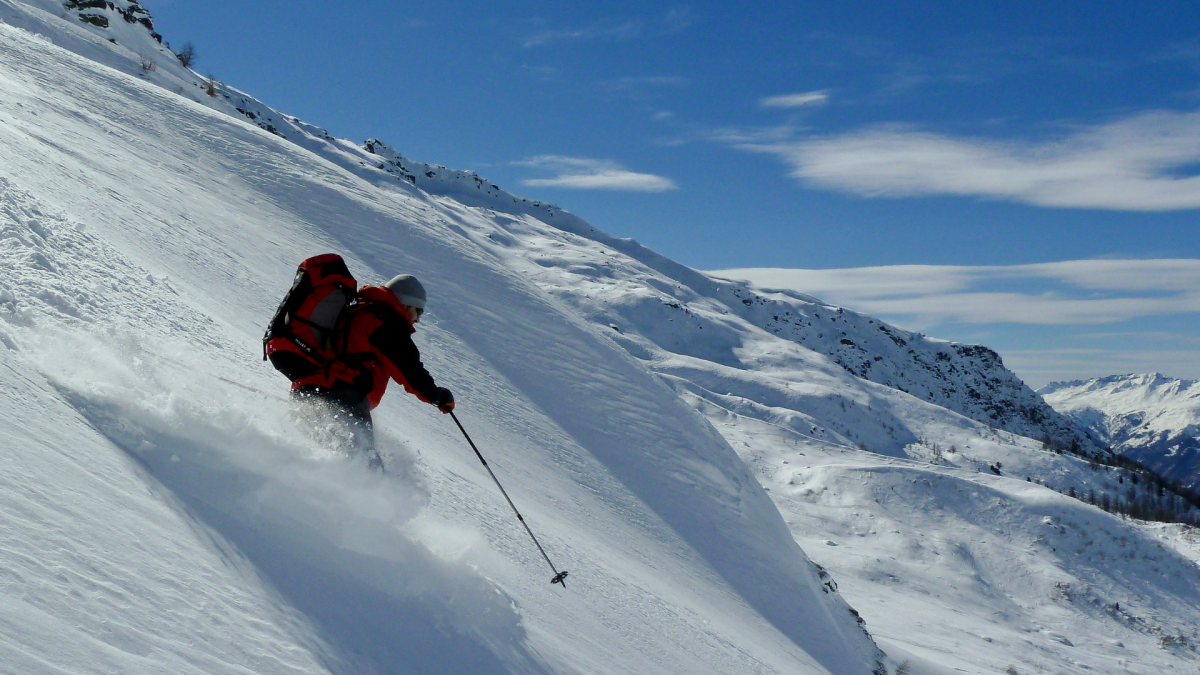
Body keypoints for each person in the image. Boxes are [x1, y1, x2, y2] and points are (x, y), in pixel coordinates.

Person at [289, 274, 454, 468]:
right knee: (366, 471)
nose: (418, 319)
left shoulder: (358, 311)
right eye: (419, 311)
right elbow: (408, 369)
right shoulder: (385, 321)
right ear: (406, 304)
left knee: (327, 466)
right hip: (341, 396)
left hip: (307, 393)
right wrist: (437, 395)